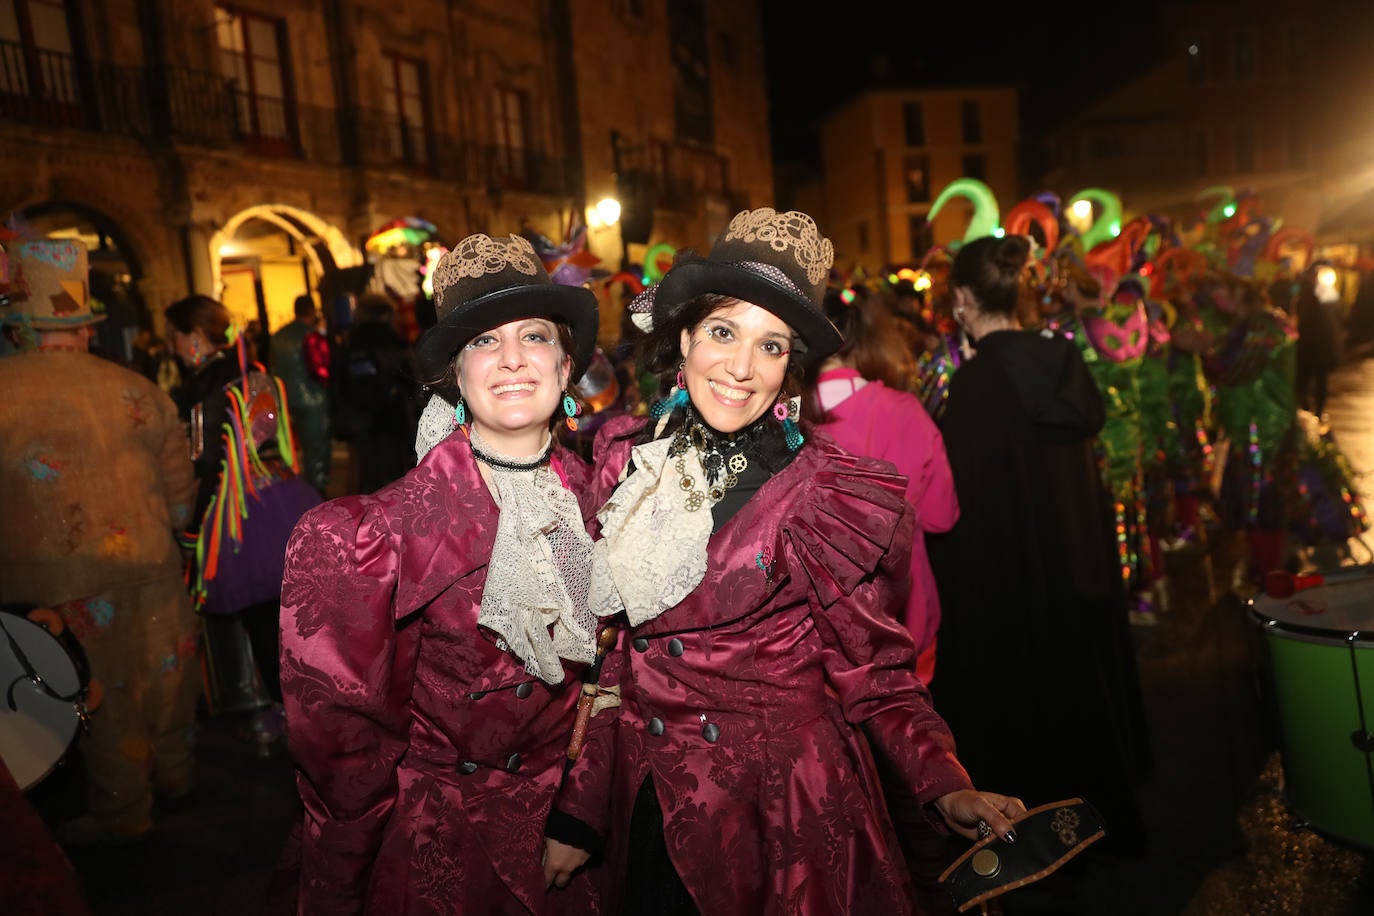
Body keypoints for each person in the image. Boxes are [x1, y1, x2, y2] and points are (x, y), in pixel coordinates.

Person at [551, 209, 1025, 915]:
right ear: (683, 337)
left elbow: (878, 674)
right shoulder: (627, 459)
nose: (741, 368)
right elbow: (620, 659)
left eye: (770, 346)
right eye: (722, 332)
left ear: (790, 364)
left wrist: (943, 781)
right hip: (650, 803)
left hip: (779, 815)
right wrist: (580, 809)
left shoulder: (827, 493)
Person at [274, 233, 607, 914]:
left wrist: (582, 811)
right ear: (456, 376)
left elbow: (615, 674)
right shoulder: (377, 538)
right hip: (433, 852)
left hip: (565, 852)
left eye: (534, 336)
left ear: (567, 365)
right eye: (483, 341)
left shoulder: (603, 505)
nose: (512, 358)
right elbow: (344, 759)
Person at [927, 235, 1152, 864]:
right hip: (1079, 577)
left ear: (964, 299)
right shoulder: (1065, 364)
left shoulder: (976, 384)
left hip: (1013, 591)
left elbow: (963, 506)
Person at [0, 238, 201, 847]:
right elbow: (179, 491)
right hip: (149, 560)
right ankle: (176, 776)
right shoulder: (137, 389)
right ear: (85, 328)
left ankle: (121, 809)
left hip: (52, 578)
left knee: (97, 689)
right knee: (164, 673)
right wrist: (173, 523)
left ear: (20, 329)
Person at [803, 280, 961, 913]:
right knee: (914, 792)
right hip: (902, 634)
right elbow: (944, 514)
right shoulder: (903, 410)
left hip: (811, 653)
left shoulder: (779, 423)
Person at [164, 295, 320, 746]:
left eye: (176, 336)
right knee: (297, 618)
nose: (173, 347)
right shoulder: (254, 374)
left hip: (243, 513)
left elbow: (210, 465)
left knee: (264, 622)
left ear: (194, 337)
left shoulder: (209, 386)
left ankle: (287, 712)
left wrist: (194, 529)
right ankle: (309, 705)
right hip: (287, 498)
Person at [333, 292, 422, 493]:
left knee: (365, 475)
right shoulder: (393, 342)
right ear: (386, 314)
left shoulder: (350, 344)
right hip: (391, 420)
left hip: (360, 421)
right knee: (392, 480)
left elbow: (340, 383)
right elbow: (410, 381)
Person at [270, 295, 332, 493]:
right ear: (312, 311)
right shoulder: (311, 335)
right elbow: (321, 368)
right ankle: (317, 490)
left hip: (285, 398)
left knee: (291, 449)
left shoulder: (278, 337)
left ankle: (294, 489)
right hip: (313, 399)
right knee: (316, 446)